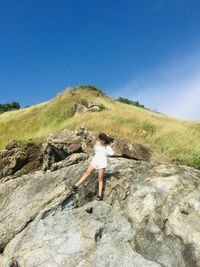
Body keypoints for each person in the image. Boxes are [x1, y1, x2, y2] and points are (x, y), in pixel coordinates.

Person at [71, 133, 114, 200]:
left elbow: (112, 153)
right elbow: (98, 148)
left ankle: (99, 195)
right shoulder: (98, 143)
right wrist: (107, 145)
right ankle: (75, 186)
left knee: (100, 178)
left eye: (101, 140)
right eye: (99, 139)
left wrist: (110, 146)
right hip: (96, 160)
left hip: (102, 162)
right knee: (87, 173)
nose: (100, 141)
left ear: (104, 140)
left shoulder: (107, 146)